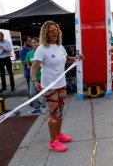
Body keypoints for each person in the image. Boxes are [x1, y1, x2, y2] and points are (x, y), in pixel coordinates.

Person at [31, 20, 84, 152]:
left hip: (62, 85)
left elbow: (67, 60)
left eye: (56, 30)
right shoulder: (41, 49)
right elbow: (34, 68)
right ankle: (52, 142)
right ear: (45, 33)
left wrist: (77, 58)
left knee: (60, 112)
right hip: (50, 87)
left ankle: (58, 135)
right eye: (51, 30)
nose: (55, 31)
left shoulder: (60, 47)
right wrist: (34, 81)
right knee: (54, 113)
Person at [26, 37, 46, 114]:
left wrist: (40, 66)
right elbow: (28, 66)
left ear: (38, 43)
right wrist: (35, 66)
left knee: (43, 93)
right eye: (32, 42)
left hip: (42, 76)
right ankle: (36, 108)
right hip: (33, 78)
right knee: (32, 94)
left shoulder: (42, 52)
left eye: (35, 42)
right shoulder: (29, 54)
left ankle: (44, 107)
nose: (33, 44)